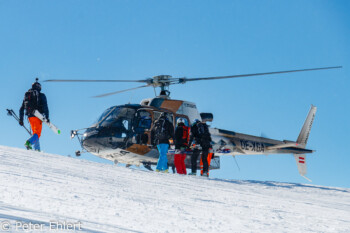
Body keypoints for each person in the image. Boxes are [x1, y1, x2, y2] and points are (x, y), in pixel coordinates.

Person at [19, 79, 49, 151]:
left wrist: (21, 119)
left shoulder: (27, 95)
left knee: (35, 133)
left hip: (29, 117)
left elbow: (21, 108)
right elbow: (45, 106)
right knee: (37, 134)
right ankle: (29, 142)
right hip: (37, 116)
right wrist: (47, 117)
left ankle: (37, 149)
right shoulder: (41, 95)